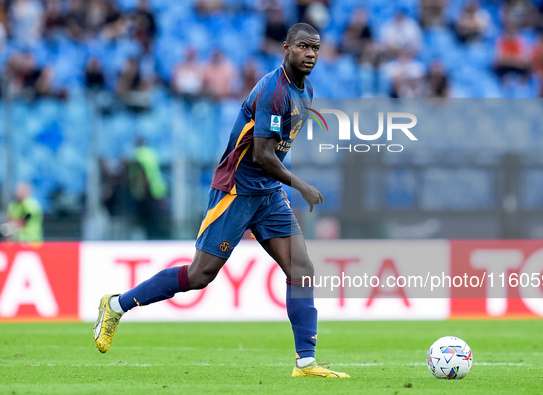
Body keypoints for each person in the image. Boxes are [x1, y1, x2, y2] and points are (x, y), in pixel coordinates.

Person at [93, 23, 350, 379]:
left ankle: (305, 363)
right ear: (286, 48)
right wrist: (300, 185)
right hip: (237, 190)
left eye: (316, 48)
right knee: (200, 275)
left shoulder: (305, 92)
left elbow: (275, 149)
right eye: (303, 47)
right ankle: (116, 305)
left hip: (268, 194)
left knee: (302, 269)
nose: (311, 54)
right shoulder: (273, 91)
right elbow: (261, 154)